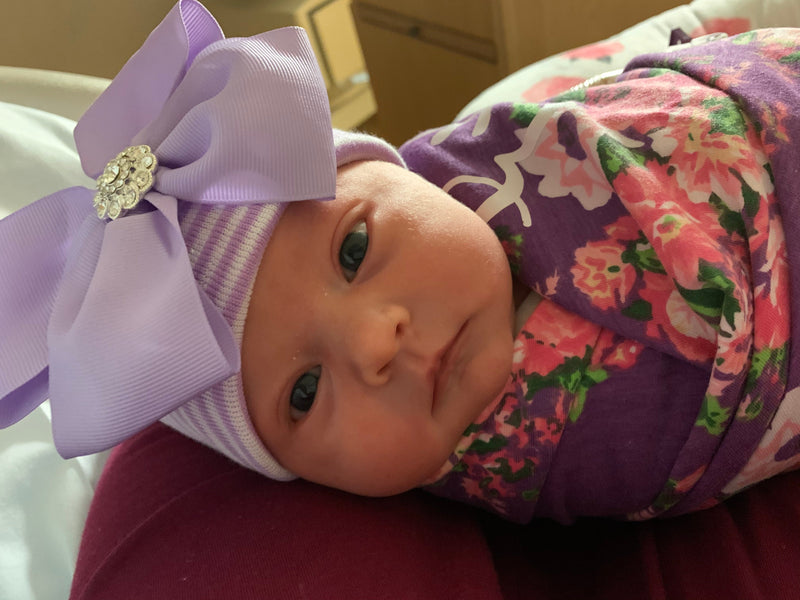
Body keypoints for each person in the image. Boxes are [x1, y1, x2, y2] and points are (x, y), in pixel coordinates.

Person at [1, 0, 799, 525]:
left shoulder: (498, 160)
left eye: (355, 248)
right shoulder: (495, 481)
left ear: (404, 175)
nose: (377, 341)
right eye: (304, 393)